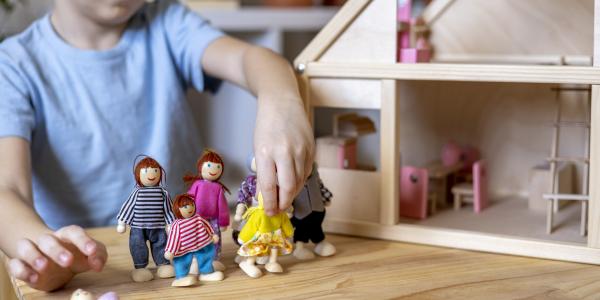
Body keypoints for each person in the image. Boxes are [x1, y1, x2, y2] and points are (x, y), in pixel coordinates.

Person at [0, 0, 313, 292]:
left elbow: (252, 59)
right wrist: (44, 250)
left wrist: (281, 100)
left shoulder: (168, 21)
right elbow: (7, 189)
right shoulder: (14, 65)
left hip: (179, 253)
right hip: (88, 275)